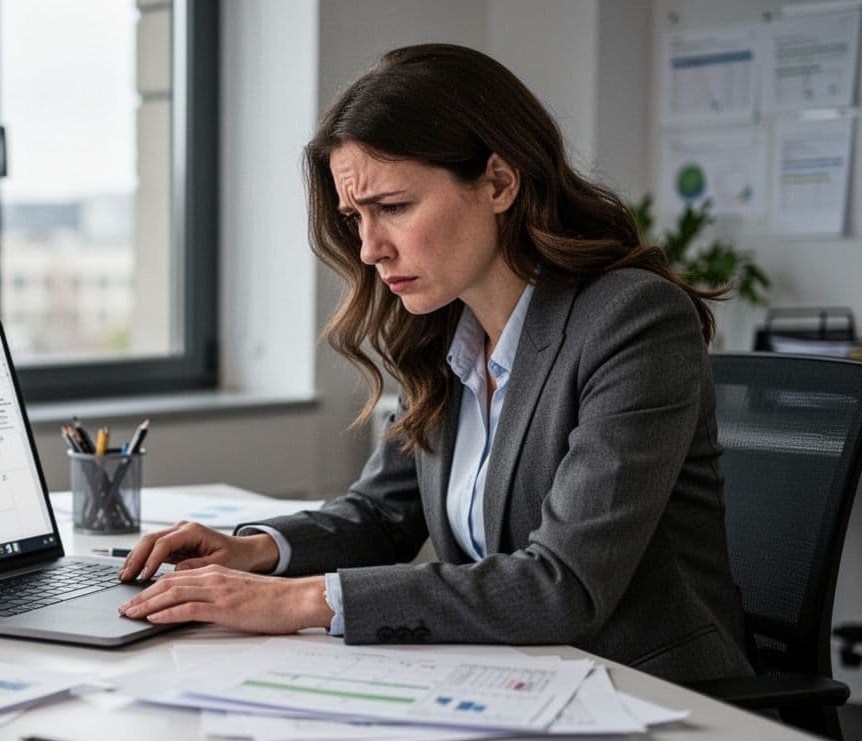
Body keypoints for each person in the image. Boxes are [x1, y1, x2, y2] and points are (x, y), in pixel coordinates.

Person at [116, 43, 753, 683]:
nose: (368, 248)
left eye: (393, 208)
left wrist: (298, 600)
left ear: (500, 183)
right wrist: (255, 551)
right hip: (510, 679)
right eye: (353, 217)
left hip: (647, 695)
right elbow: (382, 515)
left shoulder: (633, 321)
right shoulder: (447, 330)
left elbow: (563, 587)